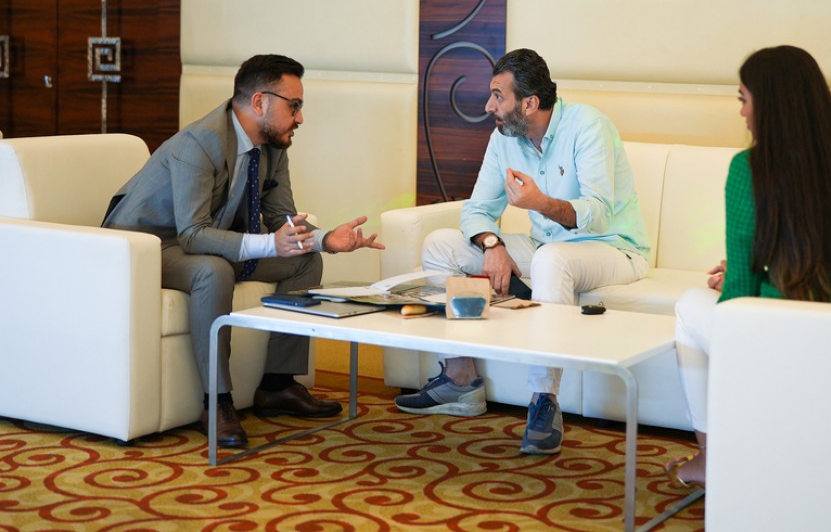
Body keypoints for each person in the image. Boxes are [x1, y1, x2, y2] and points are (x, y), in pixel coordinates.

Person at [103, 54, 385, 448]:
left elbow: (282, 218)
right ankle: (216, 403)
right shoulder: (199, 142)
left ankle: (278, 385)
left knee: (304, 262)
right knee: (213, 270)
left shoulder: (273, 145)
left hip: (208, 239)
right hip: (146, 246)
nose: (300, 118)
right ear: (259, 102)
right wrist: (271, 244)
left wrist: (325, 240)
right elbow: (192, 234)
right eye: (294, 106)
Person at [394, 48, 650, 455]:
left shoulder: (588, 126)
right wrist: (492, 244)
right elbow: (477, 210)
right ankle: (460, 380)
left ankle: (544, 400)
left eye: (498, 96)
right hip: (548, 245)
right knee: (440, 244)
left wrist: (540, 203)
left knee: (552, 259)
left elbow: (599, 215)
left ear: (529, 103)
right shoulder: (504, 138)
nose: (488, 106)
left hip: (612, 249)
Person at [665, 45, 831, 487]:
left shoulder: (750, 168)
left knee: (688, 305)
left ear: (770, 103)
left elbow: (739, 293)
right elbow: (824, 256)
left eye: (744, 99)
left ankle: (712, 459)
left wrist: (739, 278)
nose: (742, 112)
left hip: (781, 336)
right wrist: (759, 268)